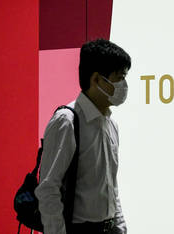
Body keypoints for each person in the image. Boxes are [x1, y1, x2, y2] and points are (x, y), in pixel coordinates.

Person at [34, 39, 131, 234]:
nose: (124, 85)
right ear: (96, 79)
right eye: (119, 77)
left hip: (108, 228)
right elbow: (48, 189)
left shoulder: (111, 124)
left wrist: (120, 227)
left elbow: (110, 185)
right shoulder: (67, 121)